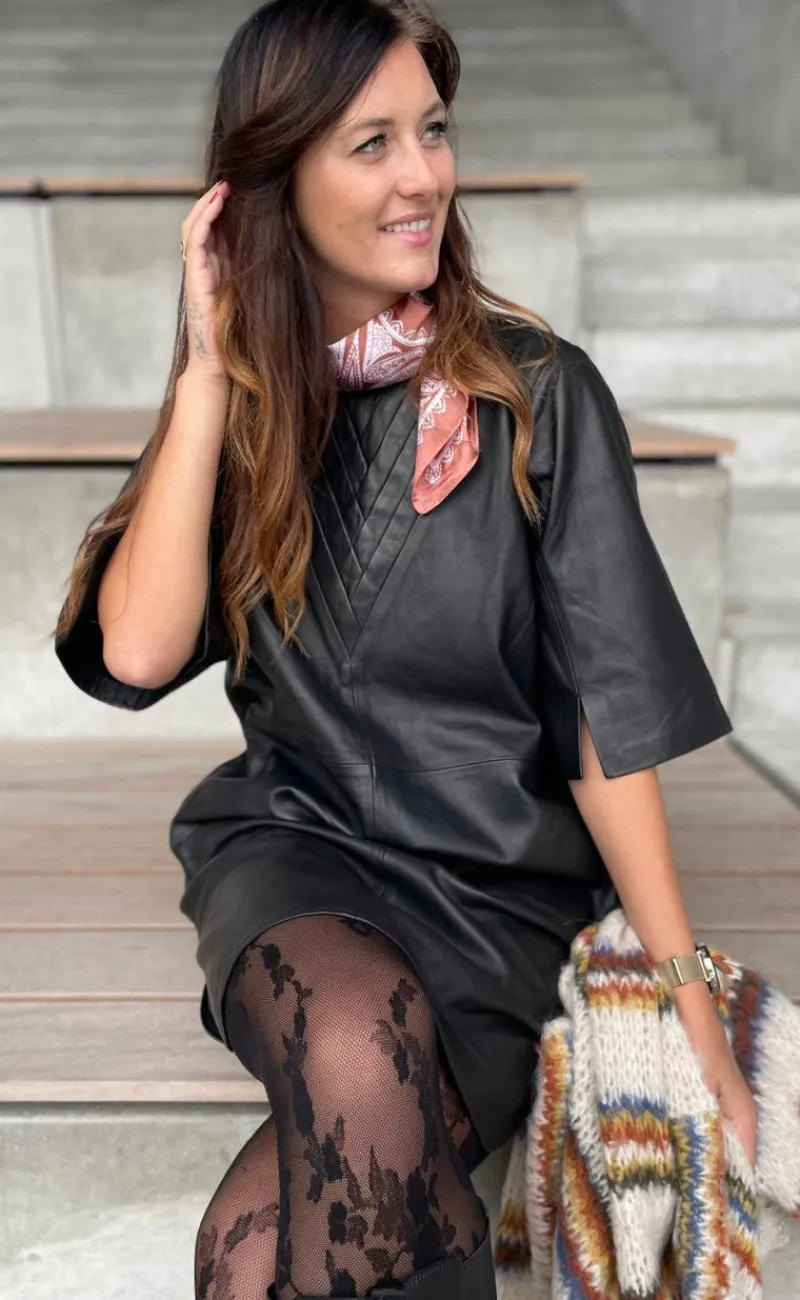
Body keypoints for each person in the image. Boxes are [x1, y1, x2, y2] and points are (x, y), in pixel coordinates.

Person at [51, 2, 756, 1298]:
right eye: (371, 143)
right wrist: (205, 374)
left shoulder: (539, 392)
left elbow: (601, 718)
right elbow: (139, 651)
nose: (423, 174)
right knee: (349, 1043)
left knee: (246, 1255)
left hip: (497, 888)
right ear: (275, 180)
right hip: (298, 845)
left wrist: (684, 994)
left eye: (432, 131)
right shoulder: (252, 402)